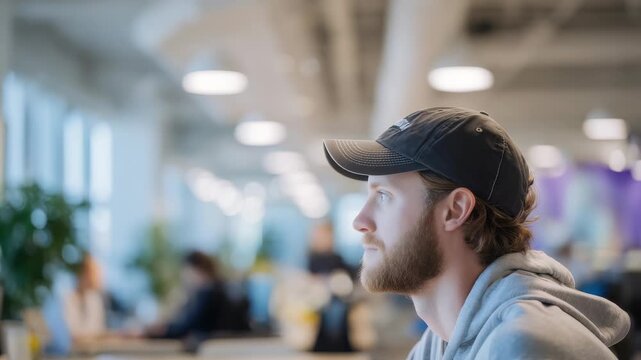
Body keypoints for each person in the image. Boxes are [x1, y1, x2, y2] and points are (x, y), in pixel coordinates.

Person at [322, 107, 630, 359]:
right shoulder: (435, 346)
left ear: (456, 210)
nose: (360, 221)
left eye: (384, 196)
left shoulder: (524, 347)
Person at [62, 254, 107, 346]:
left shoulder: (95, 299)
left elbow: (99, 332)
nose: (98, 278)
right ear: (83, 274)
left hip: (93, 351)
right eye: (94, 273)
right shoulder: (66, 298)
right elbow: (71, 334)